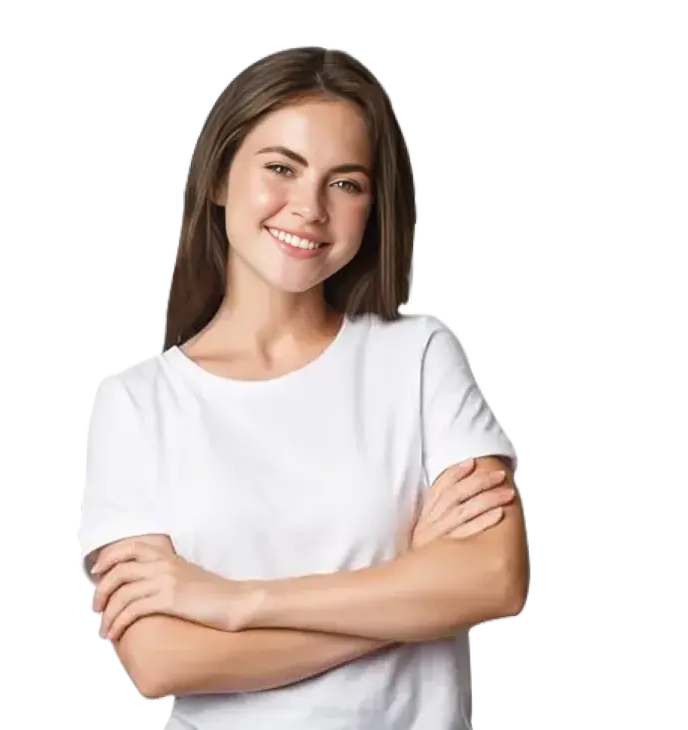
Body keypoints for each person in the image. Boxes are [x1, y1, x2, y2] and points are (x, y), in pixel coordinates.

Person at [78, 46, 528, 730]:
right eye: (281, 169)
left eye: (345, 183)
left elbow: (493, 582)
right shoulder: (133, 405)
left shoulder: (416, 357)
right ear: (221, 176)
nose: (309, 208)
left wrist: (237, 604)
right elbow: (163, 660)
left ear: (375, 205)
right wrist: (413, 589)